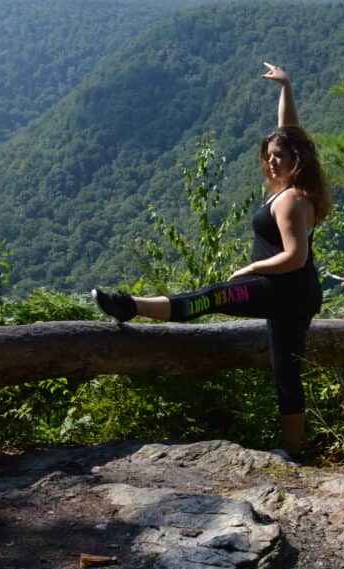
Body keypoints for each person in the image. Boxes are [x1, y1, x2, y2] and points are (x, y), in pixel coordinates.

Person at [92, 62, 330, 458]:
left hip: (286, 288)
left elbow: (295, 256)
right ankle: (293, 452)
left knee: (212, 297)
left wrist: (251, 268)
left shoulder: (290, 199)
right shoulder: (297, 188)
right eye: (269, 156)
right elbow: (290, 132)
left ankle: (130, 306)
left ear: (297, 158)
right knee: (285, 369)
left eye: (279, 157)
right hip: (293, 292)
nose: (272, 162)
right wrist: (285, 87)